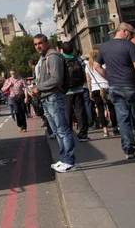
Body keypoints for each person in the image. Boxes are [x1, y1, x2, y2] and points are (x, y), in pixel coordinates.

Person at [30, 34, 76, 172]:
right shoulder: (44, 58)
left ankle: (69, 161)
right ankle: (63, 159)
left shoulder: (53, 57)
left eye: (40, 43)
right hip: (47, 98)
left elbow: (56, 79)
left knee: (63, 130)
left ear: (47, 43)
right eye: (35, 44)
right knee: (56, 131)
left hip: (54, 97)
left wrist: (38, 88)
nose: (38, 46)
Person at [94, 23, 135, 160]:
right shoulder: (129, 46)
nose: (131, 37)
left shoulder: (105, 46)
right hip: (130, 86)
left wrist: (108, 77)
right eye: (130, 34)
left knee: (123, 119)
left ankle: (129, 150)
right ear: (124, 31)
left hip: (114, 87)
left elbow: (96, 66)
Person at [61, 42, 90, 141]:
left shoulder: (62, 60)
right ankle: (83, 134)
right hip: (79, 88)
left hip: (67, 90)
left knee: (67, 112)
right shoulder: (78, 59)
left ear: (62, 50)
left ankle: (69, 134)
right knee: (80, 111)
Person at [86, 46, 118, 137]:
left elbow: (88, 80)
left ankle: (105, 130)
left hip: (95, 89)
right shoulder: (104, 64)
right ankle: (115, 128)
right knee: (111, 108)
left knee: (100, 110)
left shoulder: (88, 66)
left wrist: (90, 91)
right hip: (106, 87)